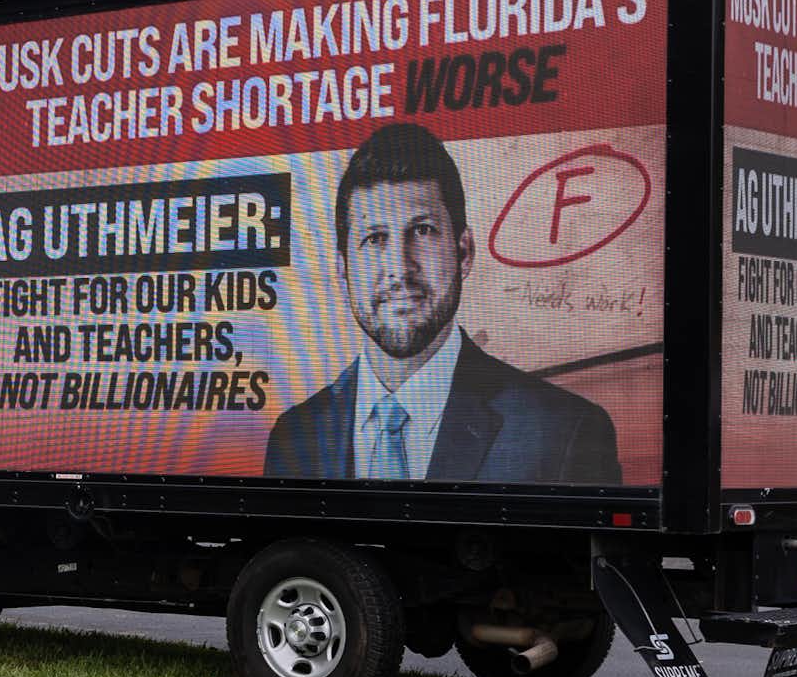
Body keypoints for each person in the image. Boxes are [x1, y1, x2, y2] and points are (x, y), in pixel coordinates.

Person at [265, 122, 621, 484]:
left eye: (422, 231)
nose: (400, 268)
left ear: (463, 252)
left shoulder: (564, 431)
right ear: (343, 270)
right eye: (374, 239)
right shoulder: (294, 436)